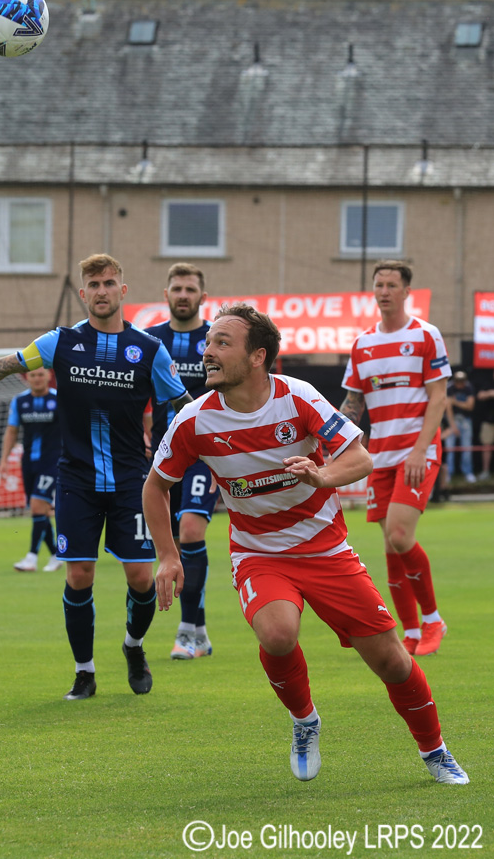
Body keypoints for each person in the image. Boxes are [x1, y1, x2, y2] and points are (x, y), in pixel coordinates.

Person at [144, 302, 468, 786]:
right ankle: (304, 720)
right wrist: (168, 556)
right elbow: (155, 485)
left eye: (221, 343)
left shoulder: (298, 398)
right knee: (277, 634)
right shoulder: (194, 420)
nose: (207, 352)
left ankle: (435, 750)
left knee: (391, 660)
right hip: (259, 553)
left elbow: (359, 459)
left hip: (325, 550)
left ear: (258, 357)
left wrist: (321, 476)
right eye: (208, 342)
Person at [0, 253, 191, 700]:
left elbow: (185, 407)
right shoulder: (60, 342)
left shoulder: (149, 350)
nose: (102, 291)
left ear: (122, 291)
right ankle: (84, 671)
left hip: (133, 482)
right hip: (75, 481)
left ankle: (133, 645)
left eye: (110, 282)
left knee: (141, 581)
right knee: (79, 577)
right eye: (94, 283)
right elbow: (1, 366)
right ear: (83, 292)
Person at [340, 260, 450, 658]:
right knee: (390, 546)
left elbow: (438, 397)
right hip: (381, 457)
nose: (384, 291)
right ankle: (412, 631)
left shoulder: (426, 335)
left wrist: (421, 449)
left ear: (407, 292)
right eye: (379, 284)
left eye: (392, 285)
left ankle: (434, 620)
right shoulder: (362, 344)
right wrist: (326, 433)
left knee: (401, 536)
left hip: (417, 452)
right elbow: (353, 403)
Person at [146, 263, 217, 660]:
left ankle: (187, 632)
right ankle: (200, 629)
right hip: (161, 455)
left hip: (204, 454)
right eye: (177, 288)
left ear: (203, 297)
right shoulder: (150, 340)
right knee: (170, 544)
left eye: (191, 288)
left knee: (191, 533)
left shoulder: (217, 338)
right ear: (167, 294)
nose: (183, 294)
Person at [0, 367, 62, 573]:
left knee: (36, 507)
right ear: (27, 378)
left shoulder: (60, 399)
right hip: (29, 463)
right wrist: (4, 460)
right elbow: (11, 430)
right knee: (40, 511)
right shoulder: (19, 401)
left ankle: (31, 558)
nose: (36, 379)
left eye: (40, 375)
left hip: (52, 462)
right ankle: (55, 555)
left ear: (48, 376)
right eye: (33, 375)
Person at [444, 370, 476, 482]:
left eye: (462, 381)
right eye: (458, 381)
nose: (460, 384)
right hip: (452, 421)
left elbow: (470, 406)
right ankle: (448, 473)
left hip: (466, 421)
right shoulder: (449, 387)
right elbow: (448, 409)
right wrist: (453, 426)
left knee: (466, 447)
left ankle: (468, 472)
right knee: (450, 449)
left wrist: (455, 402)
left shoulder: (468, 387)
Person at [477, 369, 494, 480]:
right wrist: (490, 393)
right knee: (486, 446)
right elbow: (479, 395)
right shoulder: (487, 384)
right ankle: (485, 471)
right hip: (489, 421)